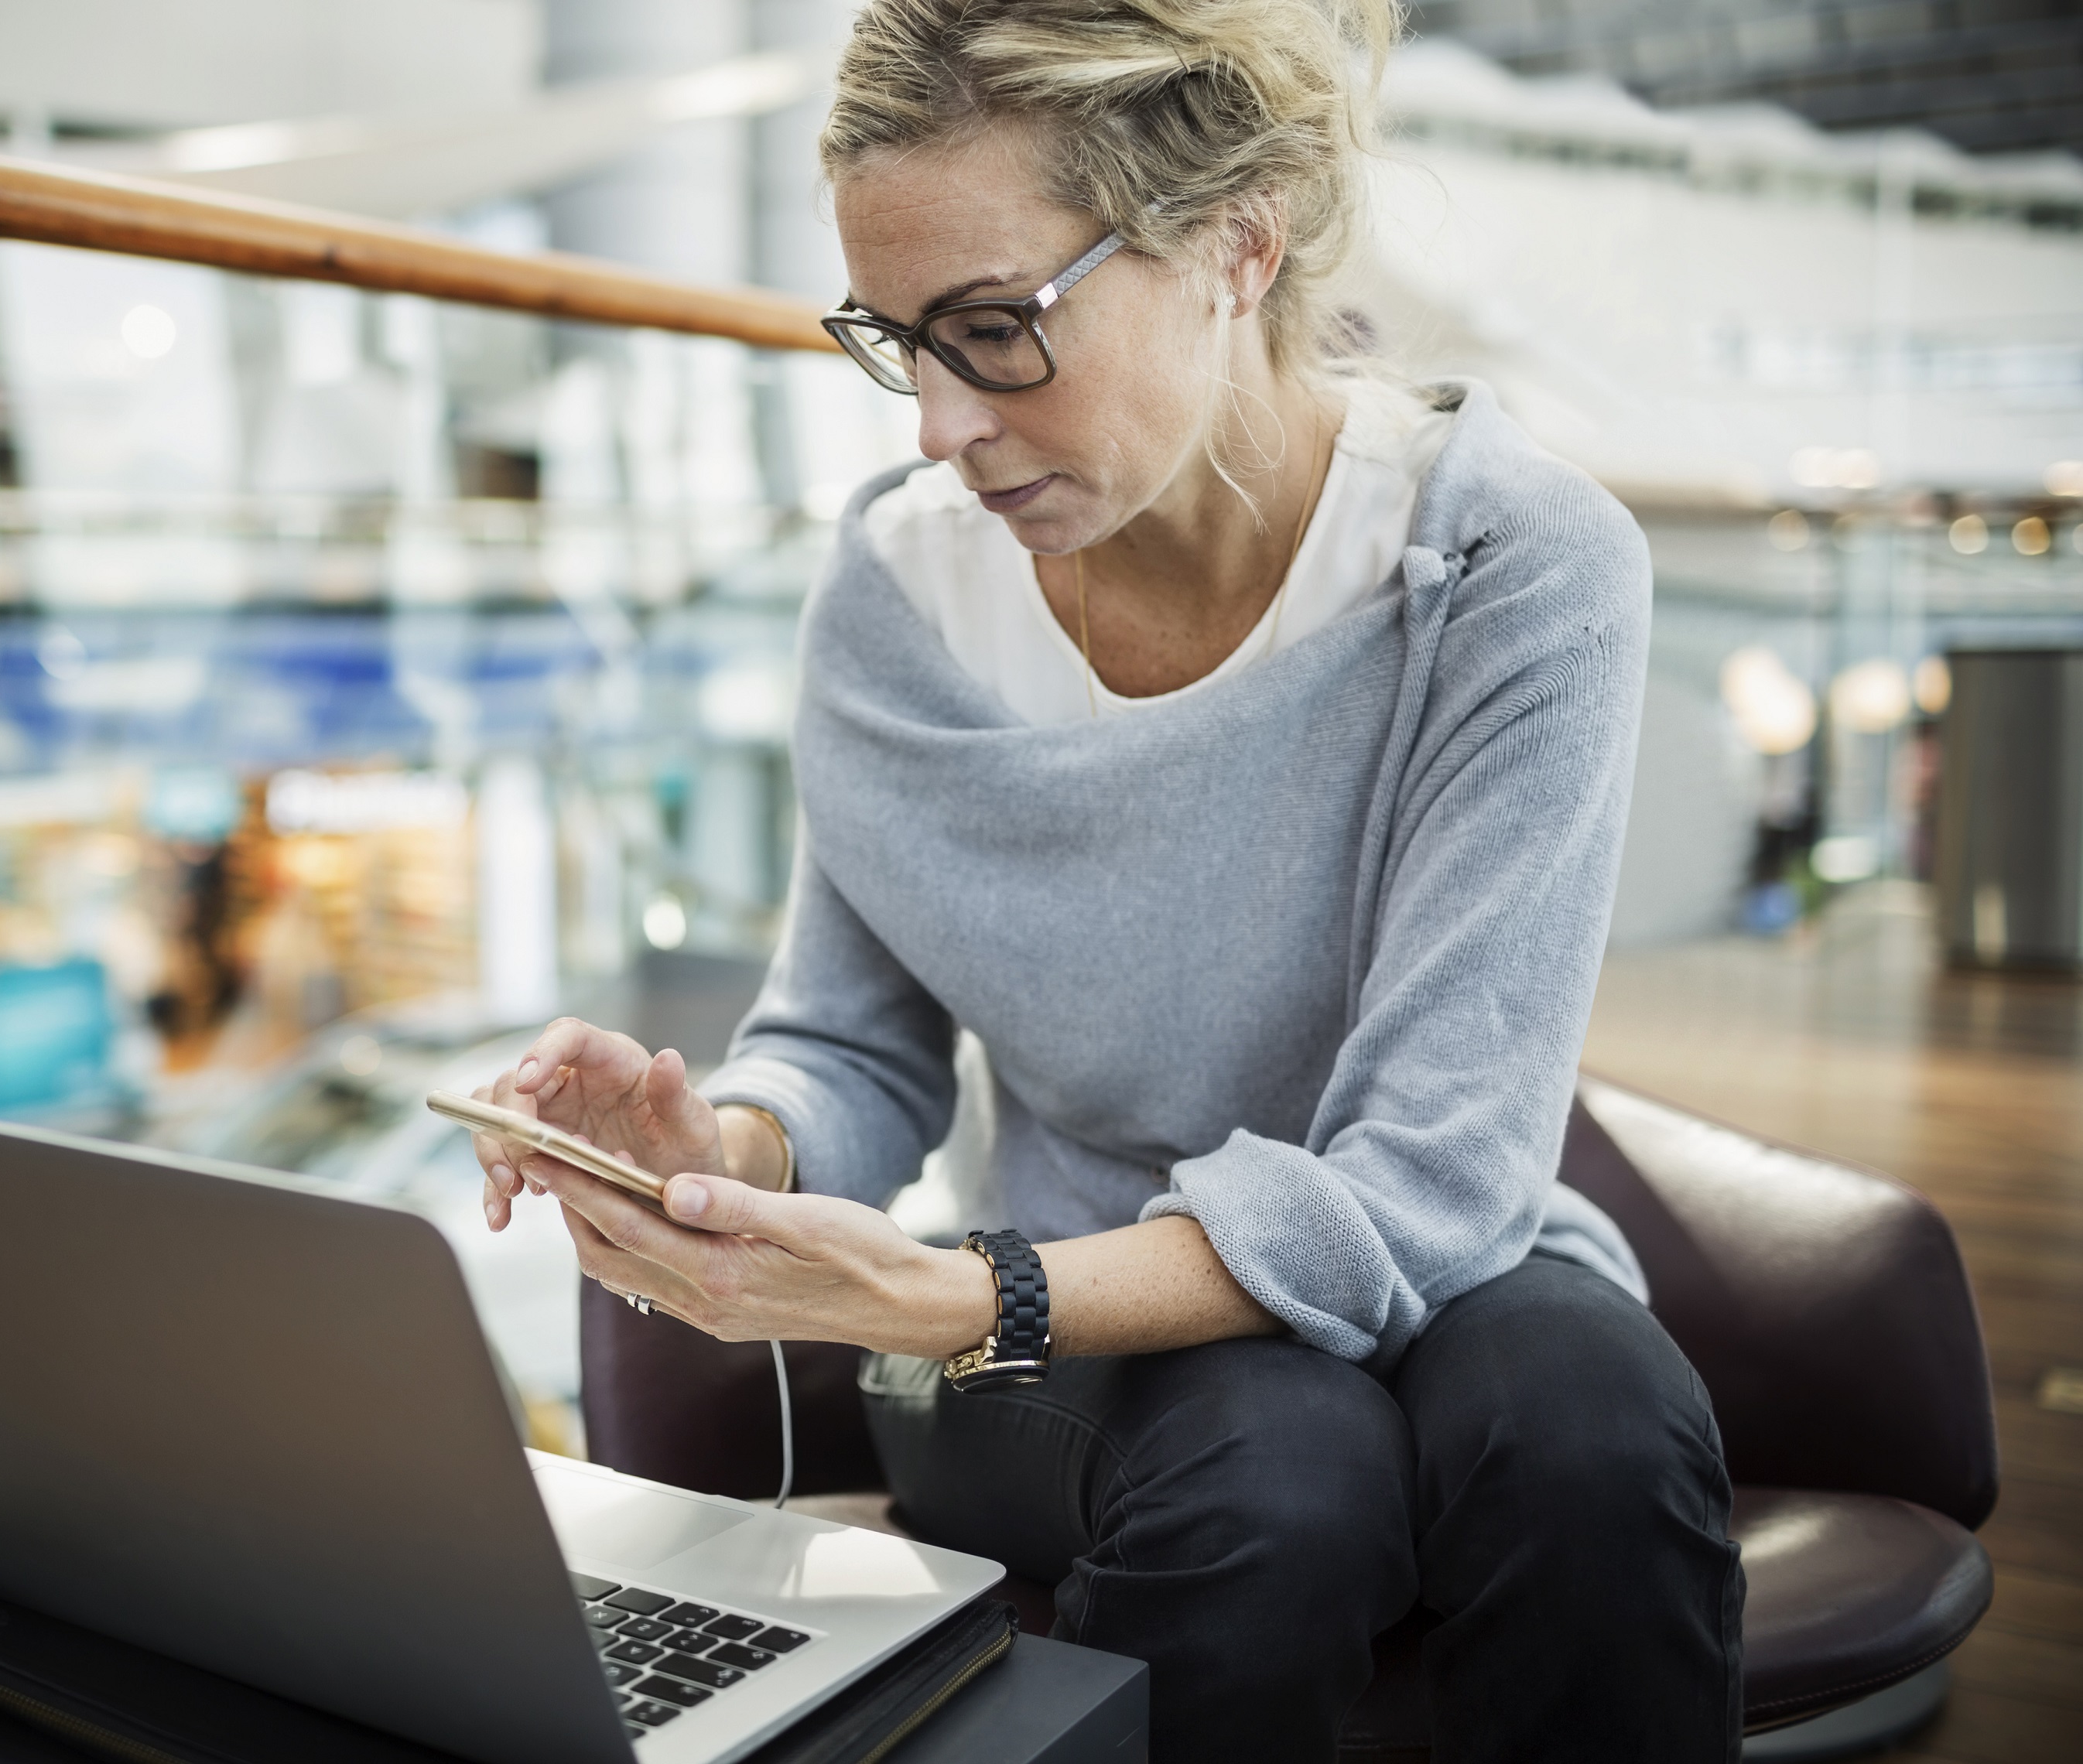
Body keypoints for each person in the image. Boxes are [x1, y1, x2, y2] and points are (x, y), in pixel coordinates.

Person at [471, 1, 1743, 1755]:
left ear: (1236, 246)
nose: (934, 423)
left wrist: (969, 1290)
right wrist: (720, 1148)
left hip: (1334, 1268)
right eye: (895, 339)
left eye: (994, 331)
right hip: (1060, 1339)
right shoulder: (900, 602)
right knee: (1277, 1465)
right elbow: (851, 1049)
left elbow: (1441, 1179)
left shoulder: (1507, 568)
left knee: (1596, 1423)